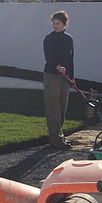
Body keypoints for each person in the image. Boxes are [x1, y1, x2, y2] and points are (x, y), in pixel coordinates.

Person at [43, 11, 74, 149]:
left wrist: (72, 77)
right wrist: (58, 66)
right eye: (54, 23)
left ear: (64, 24)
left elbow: (70, 59)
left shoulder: (68, 39)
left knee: (62, 106)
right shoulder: (48, 39)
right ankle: (55, 139)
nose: (55, 26)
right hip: (52, 75)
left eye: (58, 23)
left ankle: (59, 135)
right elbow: (49, 57)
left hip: (65, 77)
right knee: (53, 107)